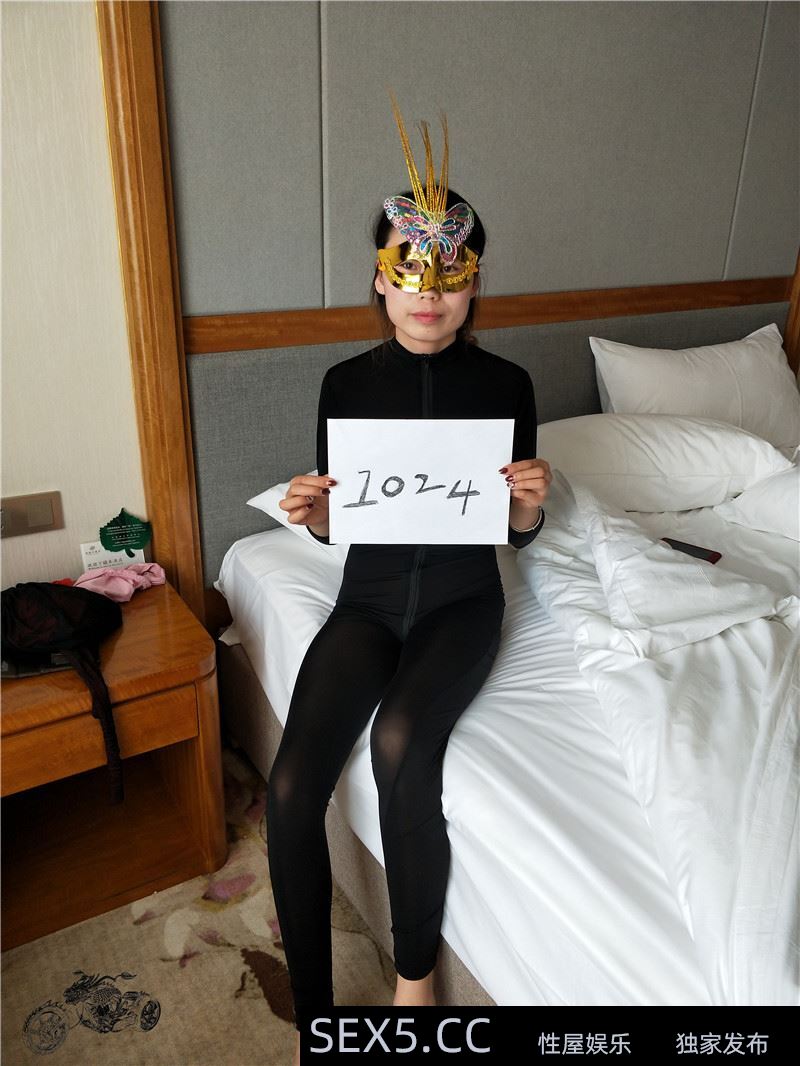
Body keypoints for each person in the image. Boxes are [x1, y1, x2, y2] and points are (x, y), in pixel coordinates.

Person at [267, 97, 552, 1063]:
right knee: (290, 788)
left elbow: (515, 528)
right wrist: (315, 514)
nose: (428, 291)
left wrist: (529, 506)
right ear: (381, 281)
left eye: (450, 273)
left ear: (473, 285)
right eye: (408, 270)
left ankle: (415, 979)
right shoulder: (344, 386)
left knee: (399, 741)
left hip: (462, 604)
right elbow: (345, 520)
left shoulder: (507, 386)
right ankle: (317, 1021)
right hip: (370, 602)